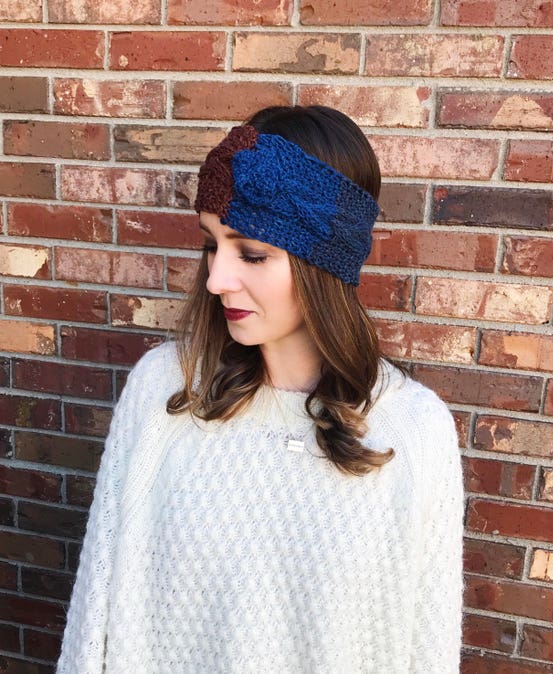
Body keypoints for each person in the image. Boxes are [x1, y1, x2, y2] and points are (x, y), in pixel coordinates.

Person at [57, 105, 463, 674]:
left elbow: (429, 644)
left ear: (325, 264)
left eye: (251, 253)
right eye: (210, 245)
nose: (216, 280)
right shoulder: (164, 391)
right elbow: (94, 615)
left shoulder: (412, 430)